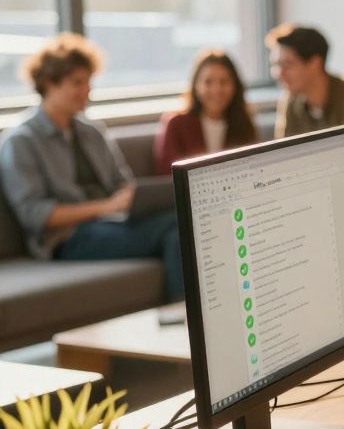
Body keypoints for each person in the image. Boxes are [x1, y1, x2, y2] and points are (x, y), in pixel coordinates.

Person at [0, 34, 183, 301]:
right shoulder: (21, 141)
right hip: (67, 240)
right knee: (177, 229)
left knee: (183, 221)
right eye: (78, 83)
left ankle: (186, 320)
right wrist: (106, 207)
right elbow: (34, 215)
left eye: (88, 82)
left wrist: (134, 199)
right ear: (49, 84)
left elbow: (122, 182)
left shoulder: (91, 132)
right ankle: (189, 324)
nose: (87, 90)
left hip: (114, 223)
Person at [266, 24, 344, 138]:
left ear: (315, 64)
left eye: (287, 65)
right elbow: (285, 154)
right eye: (275, 65)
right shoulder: (291, 100)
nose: (278, 73)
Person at [153, 49, 258, 173]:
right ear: (196, 86)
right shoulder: (176, 124)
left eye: (224, 82)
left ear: (235, 86)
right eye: (208, 82)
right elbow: (167, 175)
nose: (216, 90)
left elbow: (252, 170)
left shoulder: (243, 123)